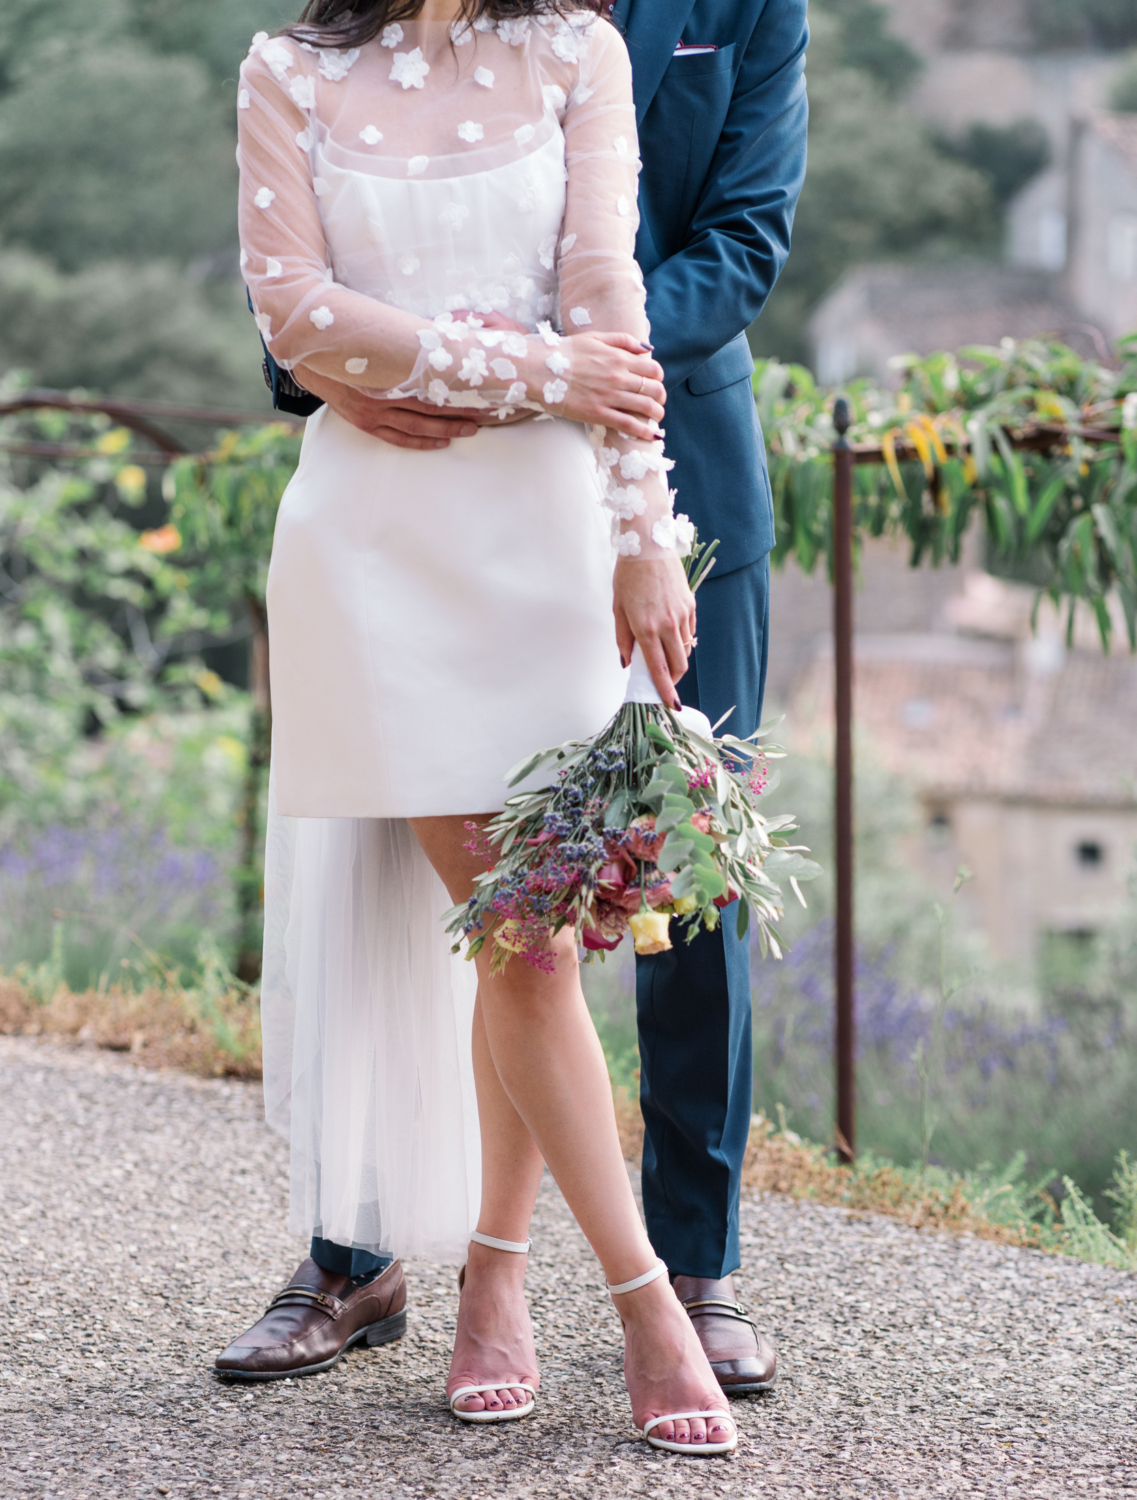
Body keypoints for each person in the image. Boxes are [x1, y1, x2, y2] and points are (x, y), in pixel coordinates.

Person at [216, 0, 808, 1441]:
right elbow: (293, 314)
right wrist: (516, 370)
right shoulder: (287, 65)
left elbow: (660, 270)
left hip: (570, 527)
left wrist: (634, 516)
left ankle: (586, 1269)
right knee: (518, 937)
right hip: (380, 540)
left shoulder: (591, 47)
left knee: (582, 928)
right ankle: (605, 1300)